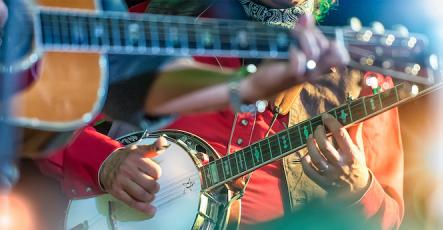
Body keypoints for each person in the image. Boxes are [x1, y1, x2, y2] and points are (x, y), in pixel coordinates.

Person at [38, 0, 404, 229]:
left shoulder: (363, 81)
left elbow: (389, 217)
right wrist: (106, 161)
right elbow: (40, 110)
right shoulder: (158, 21)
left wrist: (358, 190)